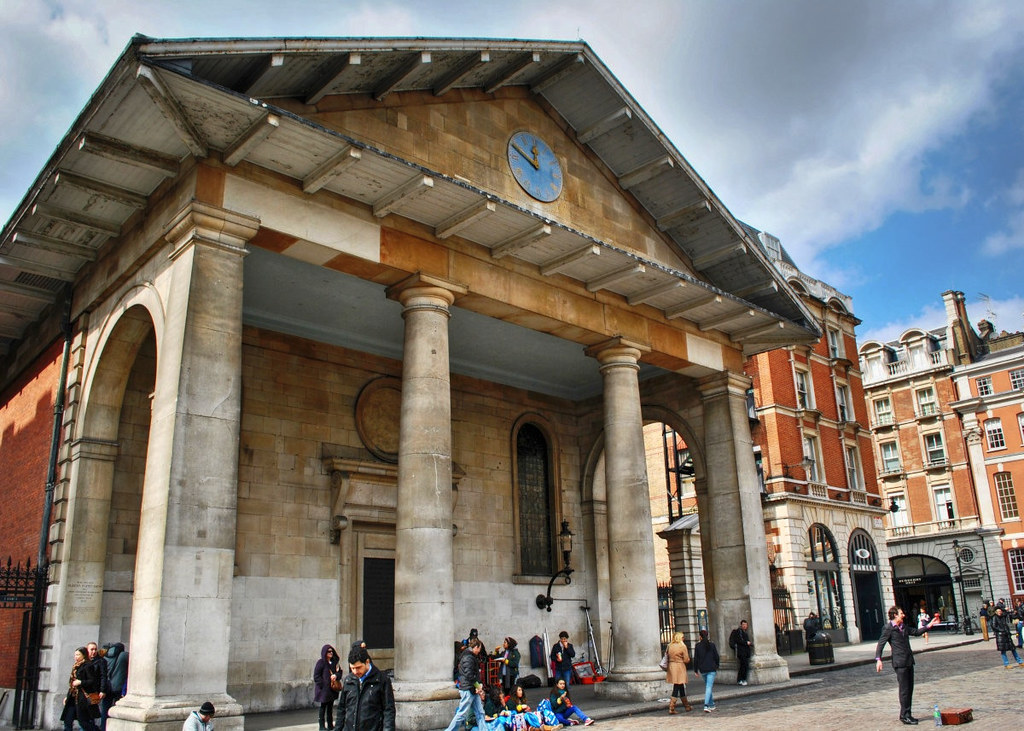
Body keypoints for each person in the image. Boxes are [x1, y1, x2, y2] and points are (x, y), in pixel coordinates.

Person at [875, 606, 938, 725]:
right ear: (895, 615)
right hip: (900, 662)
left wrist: (929, 625)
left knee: (910, 688)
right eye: (901, 613)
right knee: (904, 690)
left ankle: (908, 713)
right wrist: (878, 659)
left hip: (909, 660)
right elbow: (881, 644)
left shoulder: (903, 627)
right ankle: (904, 716)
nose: (903, 615)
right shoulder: (888, 628)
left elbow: (916, 632)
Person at [335, 645, 395, 731]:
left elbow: (388, 710)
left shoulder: (382, 680)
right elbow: (341, 709)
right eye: (352, 668)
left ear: (367, 662)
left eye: (358, 668)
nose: (355, 671)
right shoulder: (349, 680)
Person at [443, 637, 486, 731]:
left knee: (480, 713)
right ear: (476, 647)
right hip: (468, 690)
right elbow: (469, 675)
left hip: (471, 689)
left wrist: (477, 686)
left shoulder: (468, 656)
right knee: (462, 714)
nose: (480, 651)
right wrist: (478, 686)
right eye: (479, 648)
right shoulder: (468, 657)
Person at [60, 647, 99, 731]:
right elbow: (72, 684)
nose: (76, 657)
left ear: (83, 655)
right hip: (73, 697)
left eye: (78, 655)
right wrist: (67, 696)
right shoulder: (75, 666)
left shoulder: (88, 665)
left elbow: (92, 681)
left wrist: (81, 682)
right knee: (68, 719)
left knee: (83, 722)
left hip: (82, 698)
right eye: (75, 655)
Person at [100, 642, 129, 731]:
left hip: (107, 688)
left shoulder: (105, 656)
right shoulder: (124, 656)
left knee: (105, 710)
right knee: (118, 710)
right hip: (119, 688)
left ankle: (104, 728)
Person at [692, 629, 719, 714]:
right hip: (711, 668)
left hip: (703, 669)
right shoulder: (712, 645)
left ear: (700, 636)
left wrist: (695, 670)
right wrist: (717, 665)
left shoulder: (698, 646)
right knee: (709, 687)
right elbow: (716, 657)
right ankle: (706, 705)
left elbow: (696, 659)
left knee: (708, 686)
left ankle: (711, 704)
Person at [664, 631, 692, 713]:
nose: (684, 638)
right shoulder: (682, 646)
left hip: (672, 667)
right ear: (680, 638)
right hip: (679, 667)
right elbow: (686, 659)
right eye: (683, 637)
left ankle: (686, 706)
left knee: (680, 685)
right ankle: (671, 707)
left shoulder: (669, 646)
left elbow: (667, 656)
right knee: (677, 686)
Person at [314, 644, 340, 730]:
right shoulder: (321, 662)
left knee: (330, 708)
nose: (331, 653)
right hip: (324, 691)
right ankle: (321, 726)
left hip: (332, 690)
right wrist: (323, 685)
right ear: (324, 653)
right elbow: (316, 676)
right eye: (329, 651)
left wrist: (336, 675)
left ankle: (330, 725)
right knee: (323, 708)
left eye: (332, 651)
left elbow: (339, 672)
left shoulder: (334, 662)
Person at [728, 620, 753, 685]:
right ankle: (742, 679)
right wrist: (746, 642)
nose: (745, 626)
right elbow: (739, 640)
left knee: (743, 666)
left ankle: (740, 680)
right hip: (741, 652)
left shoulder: (744, 632)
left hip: (744, 652)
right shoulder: (739, 632)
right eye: (743, 624)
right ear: (741, 625)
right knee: (744, 666)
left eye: (746, 625)